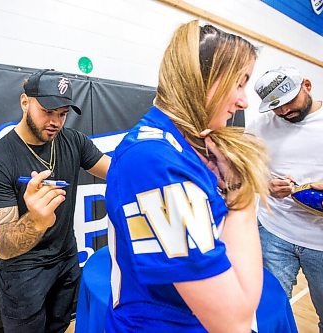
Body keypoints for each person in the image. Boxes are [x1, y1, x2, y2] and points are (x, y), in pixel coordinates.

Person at [104, 20, 271, 332]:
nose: (244, 100)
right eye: (238, 82)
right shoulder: (153, 162)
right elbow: (233, 322)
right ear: (201, 79)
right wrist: (241, 196)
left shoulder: (183, 144)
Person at [0, 69, 110, 333]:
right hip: (24, 270)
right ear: (25, 102)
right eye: (47, 111)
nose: (55, 122)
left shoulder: (73, 141)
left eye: (62, 114)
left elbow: (114, 170)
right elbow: (2, 246)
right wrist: (36, 221)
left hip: (66, 257)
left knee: (62, 326)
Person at [248, 66, 323, 333]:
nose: (284, 111)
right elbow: (243, 170)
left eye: (288, 101)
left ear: (306, 85)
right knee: (270, 314)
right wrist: (264, 185)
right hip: (274, 234)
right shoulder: (259, 126)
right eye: (275, 107)